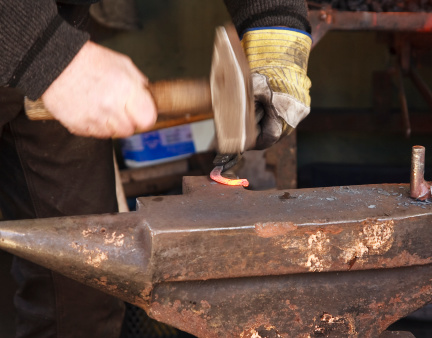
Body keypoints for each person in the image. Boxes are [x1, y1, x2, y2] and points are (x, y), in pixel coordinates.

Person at [0, 0, 312, 337]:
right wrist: (51, 56)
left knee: (86, 280)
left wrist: (275, 21)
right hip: (38, 40)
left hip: (58, 32)